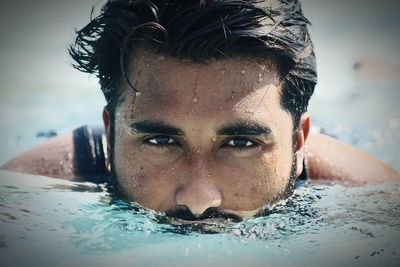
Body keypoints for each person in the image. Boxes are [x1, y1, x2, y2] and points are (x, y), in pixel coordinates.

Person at [2, 0, 398, 221]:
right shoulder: (26, 188)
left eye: (240, 142)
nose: (198, 199)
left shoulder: (376, 200)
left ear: (299, 143)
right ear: (109, 135)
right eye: (160, 140)